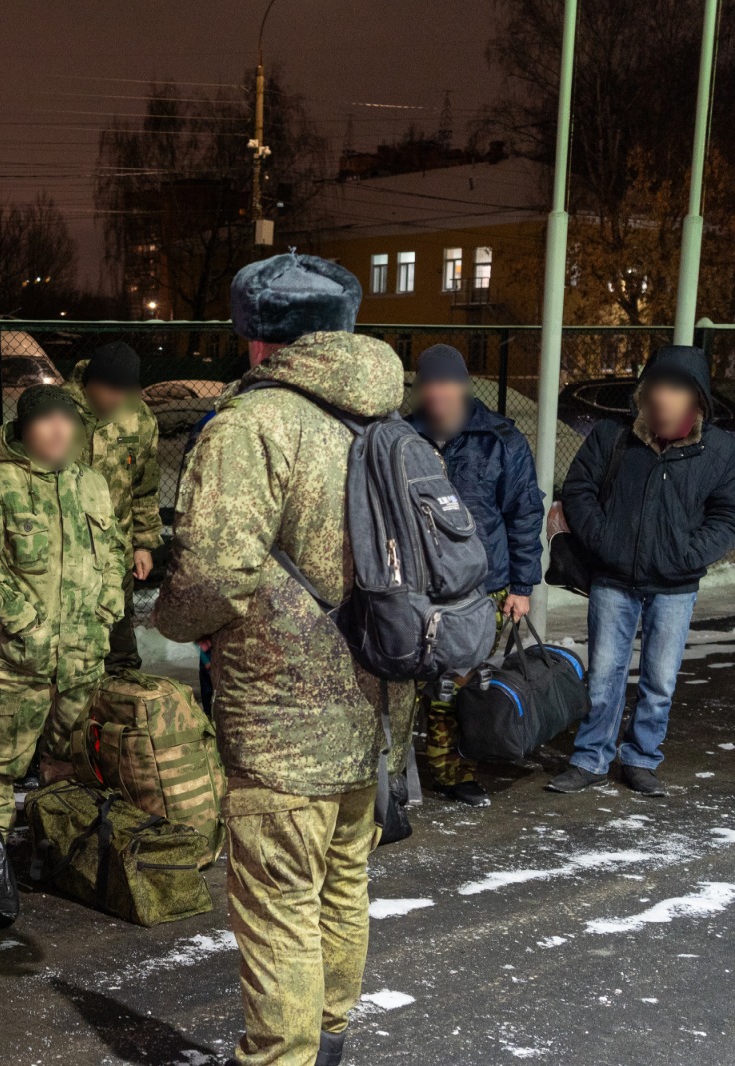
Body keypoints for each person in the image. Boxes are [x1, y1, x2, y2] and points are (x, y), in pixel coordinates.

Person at [154, 253, 407, 1066]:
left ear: (258, 338)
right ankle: (328, 1042)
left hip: (281, 717)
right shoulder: (384, 418)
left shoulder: (253, 424)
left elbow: (213, 575)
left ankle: (280, 1060)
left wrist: (170, 615)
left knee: (279, 908)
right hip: (374, 697)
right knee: (341, 885)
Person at [547, 345, 735, 797]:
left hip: (676, 586)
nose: (662, 405)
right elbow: (578, 490)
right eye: (655, 393)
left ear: (697, 401)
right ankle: (591, 757)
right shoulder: (613, 435)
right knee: (605, 674)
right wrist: (606, 541)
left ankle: (641, 758)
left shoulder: (721, 449)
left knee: (660, 679)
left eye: (675, 393)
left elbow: (727, 516)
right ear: (644, 395)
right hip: (614, 579)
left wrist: (688, 555)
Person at [0, 384, 126, 832]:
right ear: (23, 429)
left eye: (65, 419)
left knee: (71, 761)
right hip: (22, 660)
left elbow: (112, 550)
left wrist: (109, 602)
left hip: (83, 660)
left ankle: (60, 849)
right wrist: (23, 619)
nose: (57, 429)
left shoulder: (93, 485)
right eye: (45, 419)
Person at [406, 344, 544, 807]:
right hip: (423, 588)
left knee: (466, 688)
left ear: (464, 385)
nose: (438, 393)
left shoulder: (501, 439)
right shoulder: (403, 437)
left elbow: (524, 513)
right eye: (430, 384)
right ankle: (432, 773)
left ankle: (462, 769)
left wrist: (523, 588)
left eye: (447, 383)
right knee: (429, 689)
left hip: (487, 588)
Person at [64, 341, 161, 670]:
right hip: (62, 560)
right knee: (67, 657)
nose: (116, 399)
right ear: (89, 382)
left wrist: (144, 543)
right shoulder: (55, 411)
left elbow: (145, 487)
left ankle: (120, 713)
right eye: (109, 389)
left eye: (125, 390)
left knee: (119, 654)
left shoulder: (140, 419)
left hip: (115, 559)